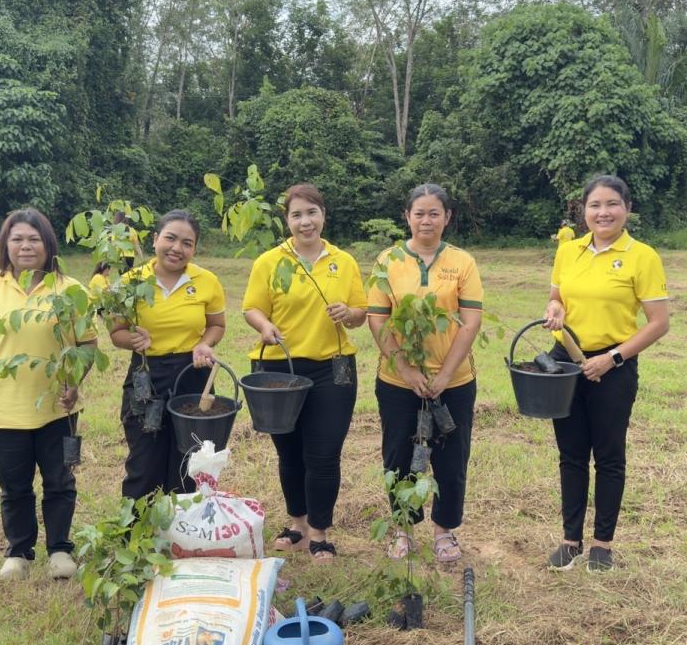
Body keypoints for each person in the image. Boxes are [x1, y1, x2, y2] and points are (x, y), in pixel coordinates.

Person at [0, 208, 97, 581]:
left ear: (48, 244)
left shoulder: (70, 290)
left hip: (55, 411)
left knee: (60, 481)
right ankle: (19, 553)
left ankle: (60, 549)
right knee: (13, 486)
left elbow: (88, 345)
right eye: (17, 239)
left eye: (34, 238)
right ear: (5, 245)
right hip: (3, 410)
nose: (25, 246)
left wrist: (73, 382)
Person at [541, 175, 669, 572]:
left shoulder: (641, 256)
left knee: (609, 456)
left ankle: (602, 544)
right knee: (571, 454)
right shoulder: (568, 251)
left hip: (613, 367)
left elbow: (658, 322)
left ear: (627, 209)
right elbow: (556, 296)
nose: (603, 212)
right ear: (583, 211)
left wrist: (612, 359)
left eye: (612, 204)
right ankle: (570, 540)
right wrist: (555, 309)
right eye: (595, 205)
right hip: (567, 363)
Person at [242, 184, 367, 565]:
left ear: (323, 215)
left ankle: (320, 533)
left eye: (311, 212)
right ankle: (297, 524)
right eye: (296, 215)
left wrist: (349, 313)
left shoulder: (342, 261)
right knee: (290, 452)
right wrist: (264, 326)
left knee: (324, 453)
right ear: (287, 221)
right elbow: (252, 309)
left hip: (333, 367)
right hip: (280, 368)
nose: (305, 221)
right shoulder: (270, 261)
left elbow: (362, 313)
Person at [367, 183, 483, 565]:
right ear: (407, 216)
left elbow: (470, 322)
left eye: (435, 213)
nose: (427, 220)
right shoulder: (388, 260)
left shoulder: (462, 262)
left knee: (451, 458)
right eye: (420, 213)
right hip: (399, 383)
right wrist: (406, 368)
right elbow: (378, 319)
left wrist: (446, 375)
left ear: (447, 218)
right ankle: (403, 527)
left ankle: (444, 530)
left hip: (454, 383)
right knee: (399, 456)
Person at [110, 210, 226, 498]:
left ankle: (184, 533)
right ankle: (137, 533)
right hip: (146, 376)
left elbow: (217, 325)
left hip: (192, 374)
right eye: (170, 238)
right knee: (144, 461)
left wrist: (204, 344)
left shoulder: (207, 281)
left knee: (189, 459)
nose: (177, 248)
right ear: (154, 240)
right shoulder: (131, 282)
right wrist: (135, 340)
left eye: (187, 243)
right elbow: (116, 333)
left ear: (194, 249)